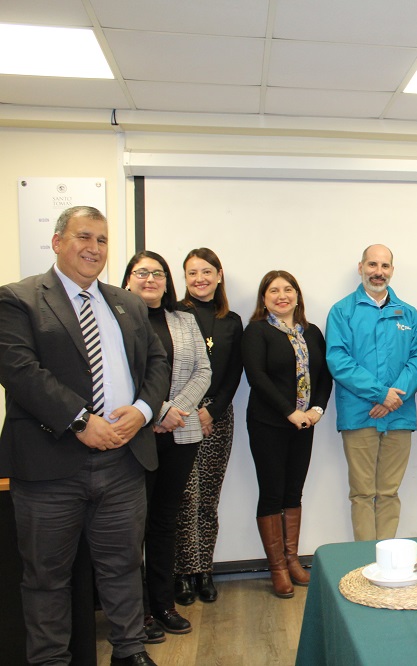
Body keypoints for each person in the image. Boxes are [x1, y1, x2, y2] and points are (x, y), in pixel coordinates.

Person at [0, 206, 169, 666]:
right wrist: (80, 419)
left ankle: (130, 651)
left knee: (121, 568)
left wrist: (141, 410)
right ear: (57, 242)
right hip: (49, 467)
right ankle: (50, 660)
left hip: (122, 463)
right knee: (46, 577)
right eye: (83, 237)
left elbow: (157, 364)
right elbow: (18, 370)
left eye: (102, 240)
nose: (94, 248)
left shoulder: (128, 303)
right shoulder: (19, 299)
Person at [122, 251, 211, 641]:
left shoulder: (184, 319)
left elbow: (203, 370)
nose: (150, 279)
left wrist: (177, 410)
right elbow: (119, 375)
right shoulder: (117, 320)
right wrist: (156, 411)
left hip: (182, 433)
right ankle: (135, 612)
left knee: (164, 523)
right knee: (129, 528)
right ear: (128, 280)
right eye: (141, 273)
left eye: (157, 273)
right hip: (135, 436)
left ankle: (162, 605)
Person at [242, 270, 332, 597]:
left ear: (297, 295)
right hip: (269, 423)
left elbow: (324, 376)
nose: (282, 295)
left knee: (294, 492)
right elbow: (257, 377)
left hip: (305, 424)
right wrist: (290, 411)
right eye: (274, 291)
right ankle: (277, 567)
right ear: (264, 298)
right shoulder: (256, 332)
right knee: (272, 493)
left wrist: (316, 411)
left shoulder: (312, 333)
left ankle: (293, 560)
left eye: (288, 289)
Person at [326, 244, 417, 541]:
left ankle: (389, 561)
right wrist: (381, 394)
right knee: (363, 493)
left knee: (389, 492)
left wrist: (394, 398)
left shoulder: (408, 313)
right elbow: (338, 361)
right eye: (372, 265)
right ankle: (366, 564)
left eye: (384, 266)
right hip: (360, 414)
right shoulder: (342, 312)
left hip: (399, 415)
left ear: (392, 270)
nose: (378, 272)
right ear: (361, 267)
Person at [173, 248, 243, 606]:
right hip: (179, 416)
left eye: (206, 271)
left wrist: (213, 411)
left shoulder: (231, 320)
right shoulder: (174, 315)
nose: (199, 279)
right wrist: (190, 409)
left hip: (217, 419)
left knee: (208, 500)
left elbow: (233, 374)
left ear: (218, 274)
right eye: (191, 273)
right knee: (185, 497)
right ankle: (183, 573)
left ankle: (204, 571)